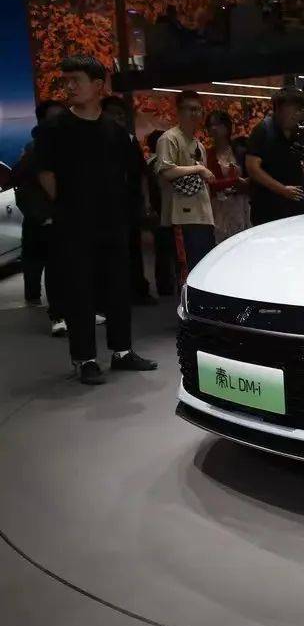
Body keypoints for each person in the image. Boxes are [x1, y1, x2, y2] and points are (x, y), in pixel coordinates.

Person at [35, 55, 157, 384]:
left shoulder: (115, 131)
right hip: (73, 225)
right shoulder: (54, 129)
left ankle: (122, 351)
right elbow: (45, 174)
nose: (69, 86)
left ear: (98, 85)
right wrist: (69, 205)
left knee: (118, 287)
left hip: (113, 223)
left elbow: (132, 173)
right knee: (80, 291)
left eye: (76, 80)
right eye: (66, 80)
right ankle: (85, 358)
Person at [11, 100, 67, 335]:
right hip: (49, 218)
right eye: (54, 118)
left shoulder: (69, 145)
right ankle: (58, 315)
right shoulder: (35, 150)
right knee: (53, 266)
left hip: (71, 216)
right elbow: (23, 187)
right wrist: (44, 216)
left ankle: (78, 310)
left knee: (74, 266)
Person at [155, 91, 217, 283]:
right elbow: (166, 171)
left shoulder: (199, 144)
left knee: (203, 269)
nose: (195, 114)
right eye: (189, 109)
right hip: (181, 217)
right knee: (187, 271)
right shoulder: (169, 138)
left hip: (203, 215)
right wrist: (198, 169)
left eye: (198, 109)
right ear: (179, 112)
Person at [101, 95, 157, 306]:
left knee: (133, 247)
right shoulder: (96, 142)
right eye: (113, 114)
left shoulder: (130, 140)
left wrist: (146, 202)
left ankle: (138, 289)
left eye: (121, 115)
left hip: (129, 202)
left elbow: (141, 174)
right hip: (105, 205)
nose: (118, 119)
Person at [245, 87, 304, 225]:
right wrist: (282, 189)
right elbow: (252, 168)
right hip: (268, 207)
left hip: (294, 207)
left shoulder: (298, 132)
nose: (296, 115)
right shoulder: (263, 130)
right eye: (293, 110)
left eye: (299, 110)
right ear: (279, 108)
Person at [205, 110, 250, 242]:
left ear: (227, 126)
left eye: (218, 124)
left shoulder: (240, 151)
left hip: (241, 202)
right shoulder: (208, 154)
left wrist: (244, 183)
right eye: (210, 125)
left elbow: (251, 175)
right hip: (219, 206)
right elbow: (209, 183)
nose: (214, 128)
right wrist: (233, 181)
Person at [144, 129, 176, 296]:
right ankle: (169, 283)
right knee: (169, 249)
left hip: (158, 211)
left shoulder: (149, 163)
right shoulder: (161, 163)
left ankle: (165, 284)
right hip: (166, 210)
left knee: (162, 250)